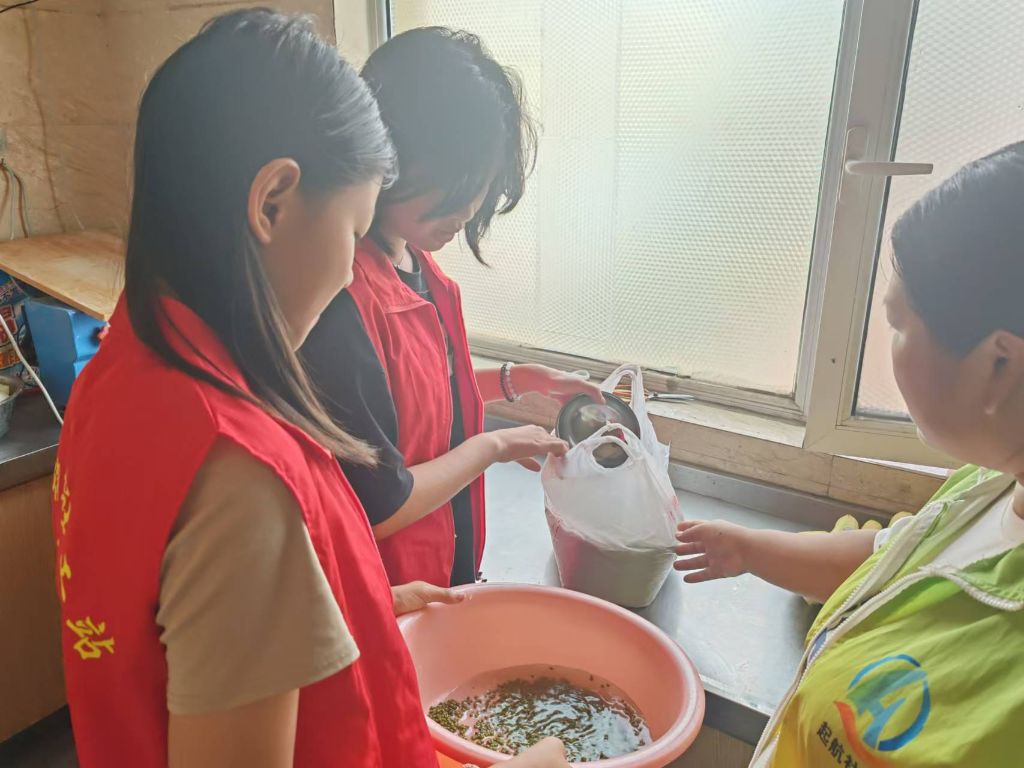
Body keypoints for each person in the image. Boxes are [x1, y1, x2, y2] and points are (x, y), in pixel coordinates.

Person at [53, 11, 567, 768]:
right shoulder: (239, 477)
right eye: (353, 230)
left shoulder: (119, 373)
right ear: (273, 202)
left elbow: (178, 637)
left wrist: (354, 607)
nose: (351, 271)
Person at [674, 144, 1024, 767]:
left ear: (1000, 364)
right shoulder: (992, 484)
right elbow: (897, 560)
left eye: (899, 324)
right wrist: (749, 549)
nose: (890, 347)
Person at [302, 27, 603, 589]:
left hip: (444, 565)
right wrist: (493, 446)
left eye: (481, 186)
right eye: (453, 184)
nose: (466, 211)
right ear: (387, 153)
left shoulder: (416, 264)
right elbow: (381, 505)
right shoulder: (340, 297)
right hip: (391, 586)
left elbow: (417, 396)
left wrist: (519, 380)